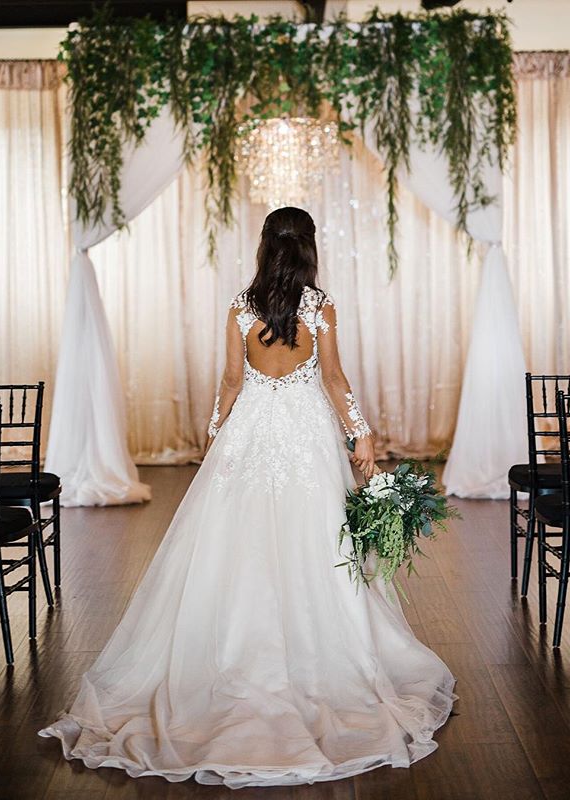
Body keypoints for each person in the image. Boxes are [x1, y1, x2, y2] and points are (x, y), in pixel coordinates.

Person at [40, 207, 456, 788]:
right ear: (309, 248)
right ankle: (330, 661)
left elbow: (231, 383)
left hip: (253, 432)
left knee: (238, 545)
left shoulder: (241, 307)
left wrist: (215, 436)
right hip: (307, 436)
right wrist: (360, 434)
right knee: (317, 541)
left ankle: (232, 654)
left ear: (264, 248)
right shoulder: (320, 306)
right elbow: (334, 379)